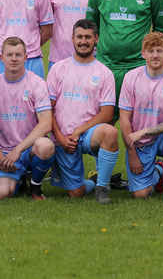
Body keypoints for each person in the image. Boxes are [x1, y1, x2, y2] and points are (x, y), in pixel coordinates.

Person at [86, 0, 163, 119]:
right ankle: (104, 148)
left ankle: (137, 148)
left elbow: (162, 30)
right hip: (105, 66)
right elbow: (90, 26)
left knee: (137, 121)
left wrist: (150, 54)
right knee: (102, 120)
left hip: (138, 67)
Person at [47, 19, 119, 204]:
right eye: (79, 37)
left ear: (96, 39)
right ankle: (91, 183)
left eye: (88, 37)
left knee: (109, 132)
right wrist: (61, 138)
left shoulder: (104, 73)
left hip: (88, 135)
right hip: (63, 137)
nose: (83, 41)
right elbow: (49, 109)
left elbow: (107, 114)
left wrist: (79, 131)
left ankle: (102, 187)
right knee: (76, 193)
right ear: (72, 39)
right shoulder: (58, 69)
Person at [0, 37, 55, 200]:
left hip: (30, 149)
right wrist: (0, 157)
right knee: (1, 193)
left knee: (45, 146)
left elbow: (45, 124)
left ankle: (35, 186)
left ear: (25, 57)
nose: (14, 59)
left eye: (18, 54)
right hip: (7, 152)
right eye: (9, 55)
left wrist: (18, 150)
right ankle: (21, 180)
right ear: (1, 57)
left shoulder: (37, 84)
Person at [118, 32, 163, 203]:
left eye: (159, 50)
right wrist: (132, 153)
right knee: (141, 194)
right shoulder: (131, 78)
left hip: (161, 138)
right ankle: (159, 170)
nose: (155, 55)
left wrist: (145, 131)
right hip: (140, 144)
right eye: (151, 51)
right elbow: (124, 119)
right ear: (143, 54)